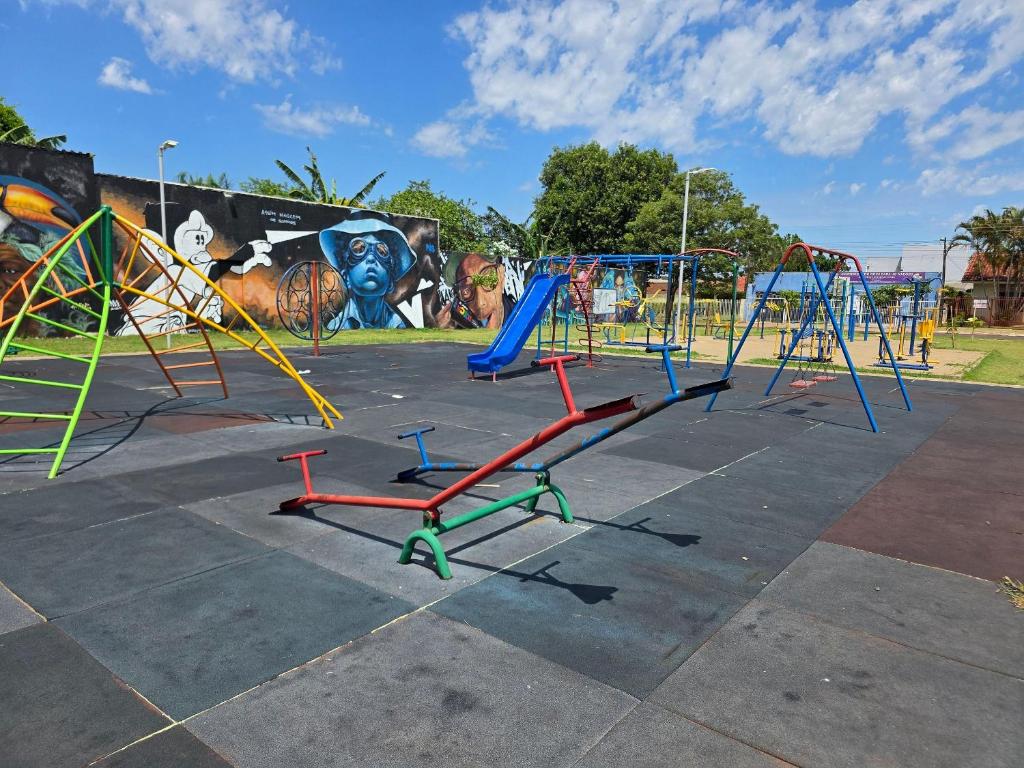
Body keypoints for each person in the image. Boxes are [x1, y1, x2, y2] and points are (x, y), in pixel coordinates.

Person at [318, 217, 417, 329]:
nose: (371, 259)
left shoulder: (397, 325)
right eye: (358, 249)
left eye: (381, 252)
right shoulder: (338, 326)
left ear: (390, 283)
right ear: (345, 277)